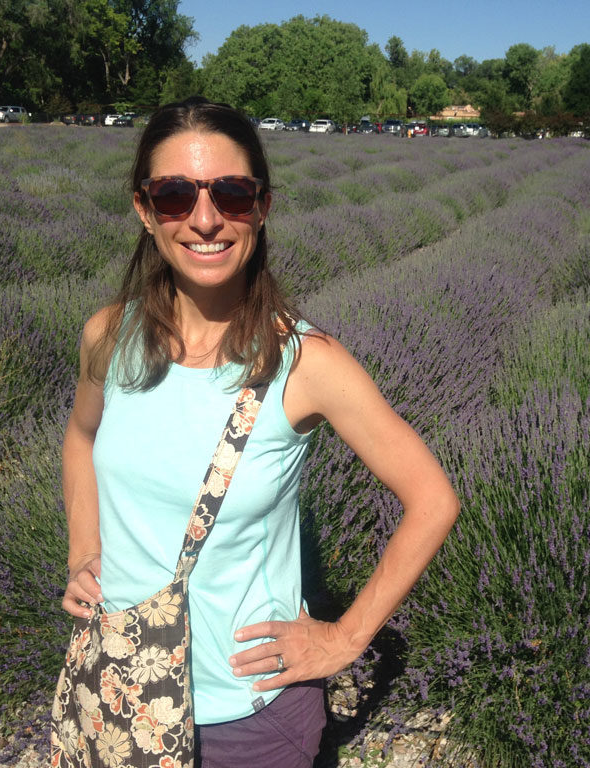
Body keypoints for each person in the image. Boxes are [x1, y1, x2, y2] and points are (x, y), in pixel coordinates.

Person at [61, 97, 459, 767]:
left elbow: (432, 499)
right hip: (118, 684)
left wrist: (345, 638)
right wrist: (83, 549)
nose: (207, 218)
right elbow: (80, 438)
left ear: (262, 207)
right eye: (176, 195)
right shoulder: (109, 337)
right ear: (145, 209)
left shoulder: (305, 365)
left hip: (246, 721)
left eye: (233, 194)